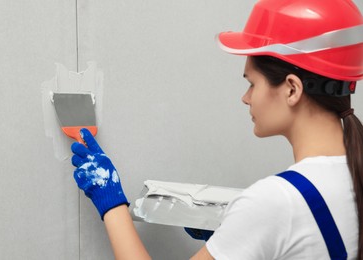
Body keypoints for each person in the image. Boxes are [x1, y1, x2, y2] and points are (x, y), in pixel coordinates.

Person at [70, 0, 363, 259]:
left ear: (291, 89)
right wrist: (238, 238)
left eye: (252, 83)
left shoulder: (275, 202)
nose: (246, 97)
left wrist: (112, 203)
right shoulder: (352, 177)